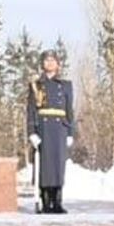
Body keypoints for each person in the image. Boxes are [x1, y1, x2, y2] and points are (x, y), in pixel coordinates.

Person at [25, 50, 76, 214]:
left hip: (60, 128)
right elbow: (31, 109)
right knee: (45, 166)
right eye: (46, 60)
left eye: (53, 60)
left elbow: (69, 110)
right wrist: (32, 131)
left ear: (58, 64)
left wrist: (70, 132)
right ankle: (46, 201)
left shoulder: (65, 85)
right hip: (44, 128)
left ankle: (58, 201)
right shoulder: (37, 85)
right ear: (42, 64)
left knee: (58, 165)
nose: (50, 63)